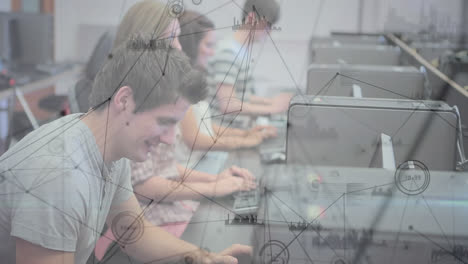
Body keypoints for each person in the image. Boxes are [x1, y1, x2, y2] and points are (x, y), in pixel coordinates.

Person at [0, 26, 250, 264]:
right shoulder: (60, 176)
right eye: (164, 122)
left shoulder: (109, 147)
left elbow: (133, 232)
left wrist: (202, 256)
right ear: (124, 100)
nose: (169, 138)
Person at [176, 11, 277, 167]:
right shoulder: (180, 83)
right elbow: (194, 138)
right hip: (190, 165)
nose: (212, 52)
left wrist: (246, 134)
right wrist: (242, 141)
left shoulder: (194, 78)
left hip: (200, 159)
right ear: (191, 45)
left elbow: (205, 126)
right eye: (208, 45)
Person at [206, 0, 292, 121]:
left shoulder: (239, 50)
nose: (269, 31)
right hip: (224, 132)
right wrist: (272, 109)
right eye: (267, 25)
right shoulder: (228, 53)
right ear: (251, 18)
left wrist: (271, 102)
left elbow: (241, 96)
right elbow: (228, 105)